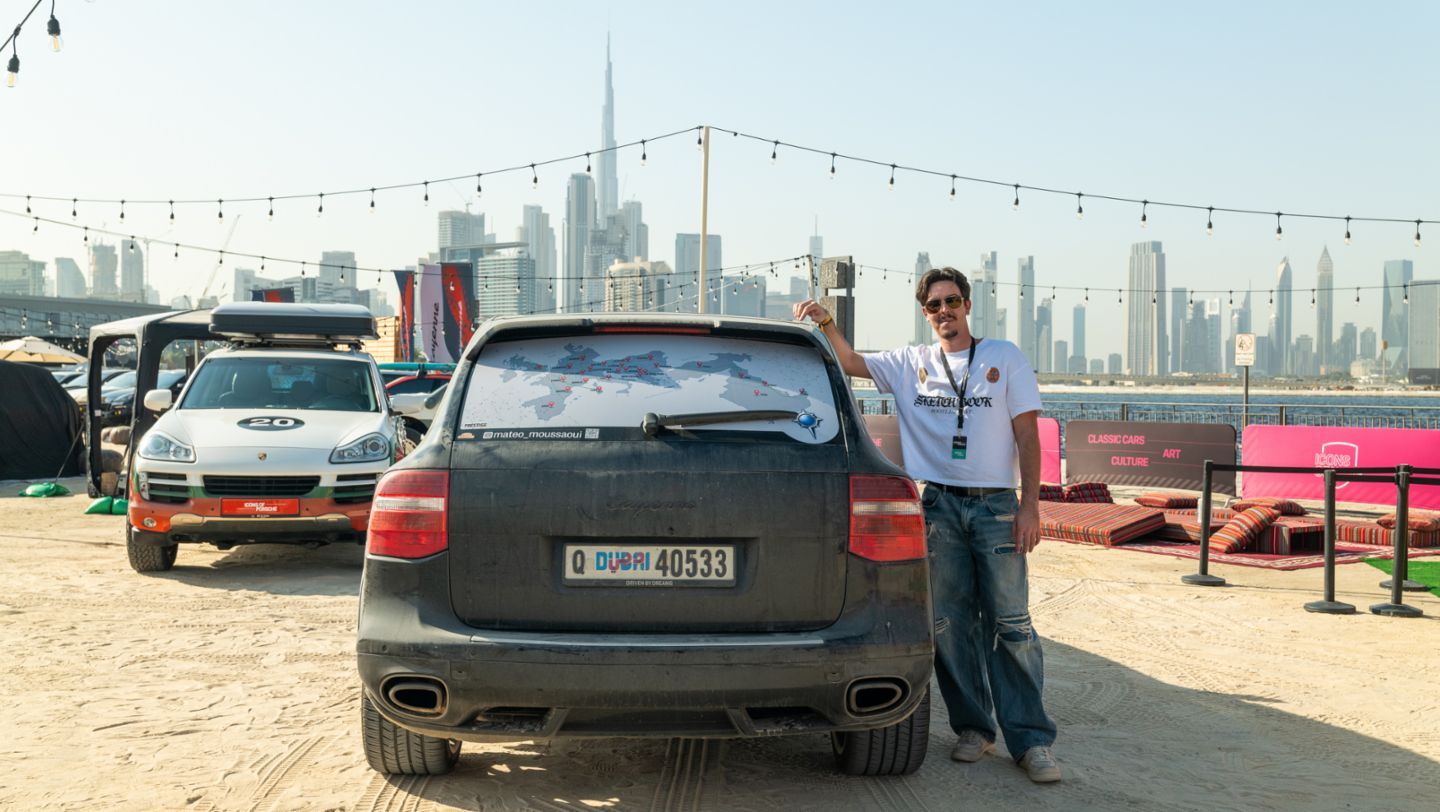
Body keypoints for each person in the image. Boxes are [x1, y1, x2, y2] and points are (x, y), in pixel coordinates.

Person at [793, 267, 1060, 783]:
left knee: (1012, 624)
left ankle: (1031, 741)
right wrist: (826, 321)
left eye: (953, 301)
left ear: (967, 305)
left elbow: (1028, 436)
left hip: (996, 508)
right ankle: (975, 730)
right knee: (950, 625)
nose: (946, 312)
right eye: (935, 305)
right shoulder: (910, 362)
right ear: (925, 314)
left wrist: (1031, 506)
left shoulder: (1004, 357)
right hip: (936, 507)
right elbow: (850, 362)